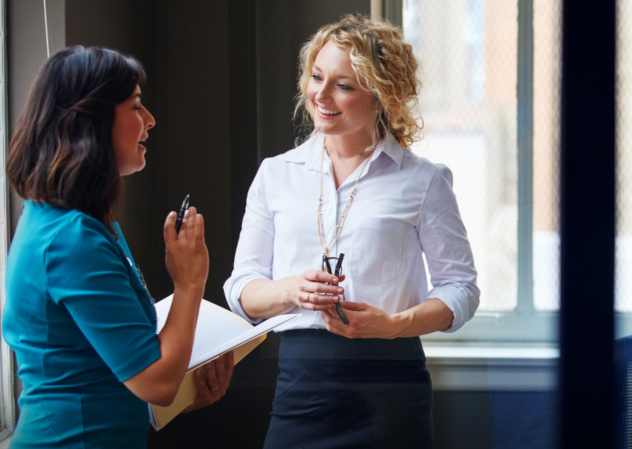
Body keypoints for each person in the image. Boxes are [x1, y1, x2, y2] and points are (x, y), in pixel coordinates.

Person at [224, 14, 479, 448]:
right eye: (316, 77)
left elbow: (461, 289)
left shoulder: (424, 181)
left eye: (343, 85)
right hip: (301, 384)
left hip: (393, 386)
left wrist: (394, 324)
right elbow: (241, 289)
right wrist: (291, 290)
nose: (320, 95)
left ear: (381, 97)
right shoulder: (275, 175)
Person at [2, 46, 233, 448]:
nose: (150, 121)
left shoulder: (84, 223)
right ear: (90, 122)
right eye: (136, 106)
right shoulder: (70, 239)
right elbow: (157, 382)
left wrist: (184, 391)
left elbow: (103, 371)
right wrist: (190, 282)